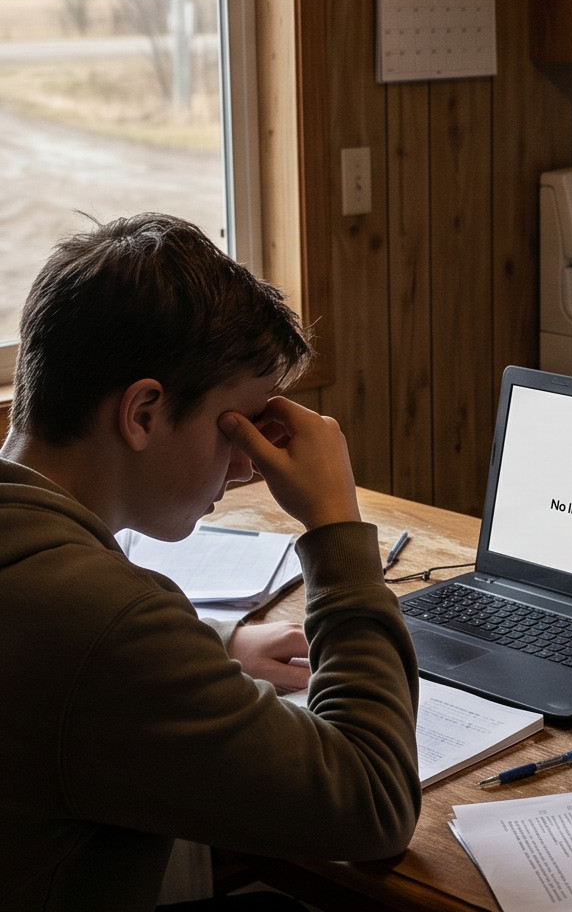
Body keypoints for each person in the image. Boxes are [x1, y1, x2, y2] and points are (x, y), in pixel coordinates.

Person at [0, 215, 419, 910]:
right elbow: (372, 803)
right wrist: (336, 527)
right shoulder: (109, 627)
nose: (249, 466)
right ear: (142, 413)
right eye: (236, 429)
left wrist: (212, 646)